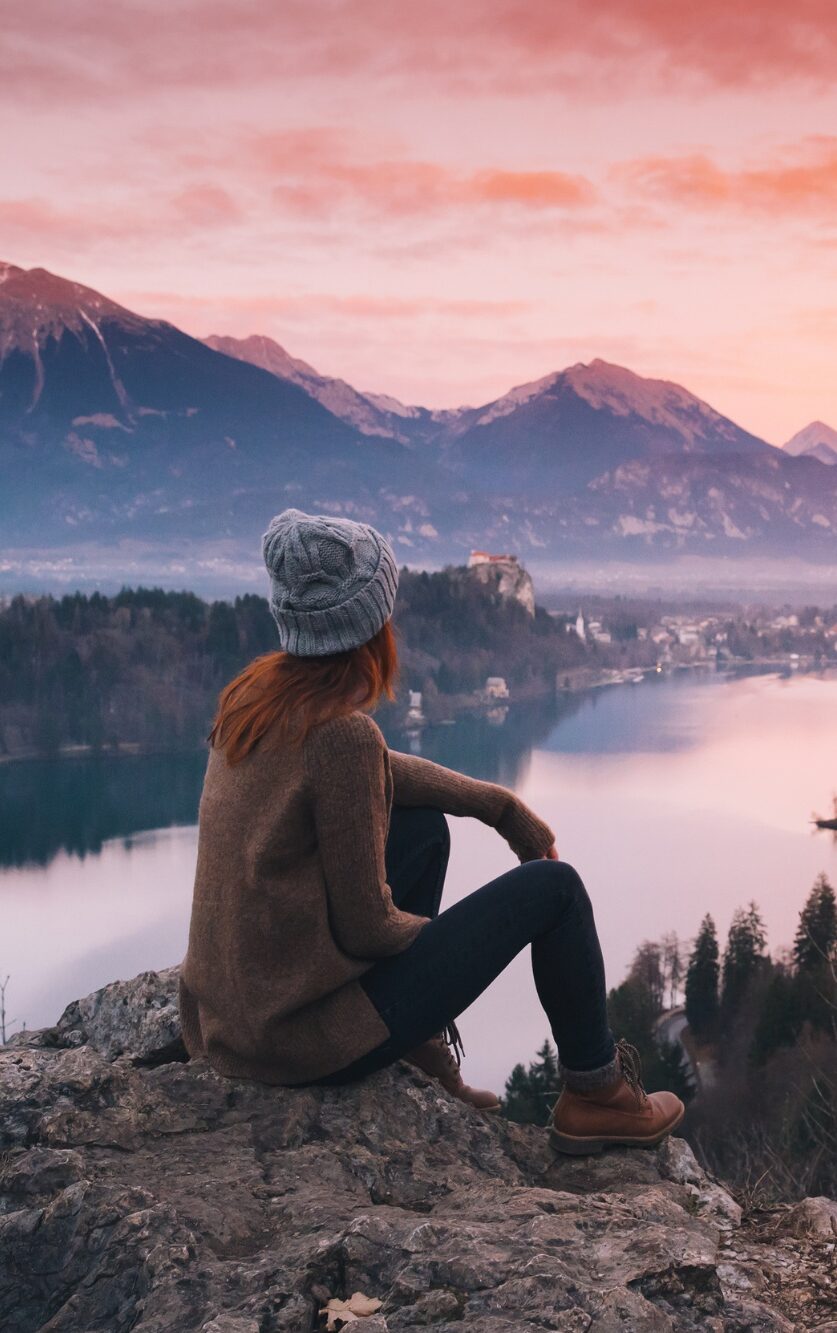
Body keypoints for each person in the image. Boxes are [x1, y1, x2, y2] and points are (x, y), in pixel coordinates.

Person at [179, 508, 685, 1155]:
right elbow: (369, 929)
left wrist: (497, 805)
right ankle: (596, 1094)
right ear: (368, 624)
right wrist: (457, 948)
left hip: (227, 1023)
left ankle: (414, 1048)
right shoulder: (340, 734)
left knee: (422, 829)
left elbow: (382, 775)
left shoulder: (253, 701)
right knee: (554, 888)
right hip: (298, 1040)